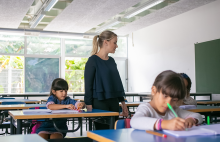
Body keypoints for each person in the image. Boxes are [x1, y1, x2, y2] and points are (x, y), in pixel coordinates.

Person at [84, 30, 128, 130]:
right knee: (102, 133)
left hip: (113, 101)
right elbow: (88, 86)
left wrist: (123, 104)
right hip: (99, 102)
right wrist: (89, 105)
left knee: (114, 133)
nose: (116, 46)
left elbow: (117, 83)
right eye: (115, 42)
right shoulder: (92, 60)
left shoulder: (112, 61)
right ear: (106, 42)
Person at [130, 70, 203, 131]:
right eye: (165, 96)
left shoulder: (173, 110)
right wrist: (164, 124)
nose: (168, 103)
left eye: (174, 100)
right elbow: (134, 121)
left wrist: (191, 120)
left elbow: (197, 115)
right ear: (154, 91)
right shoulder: (146, 108)